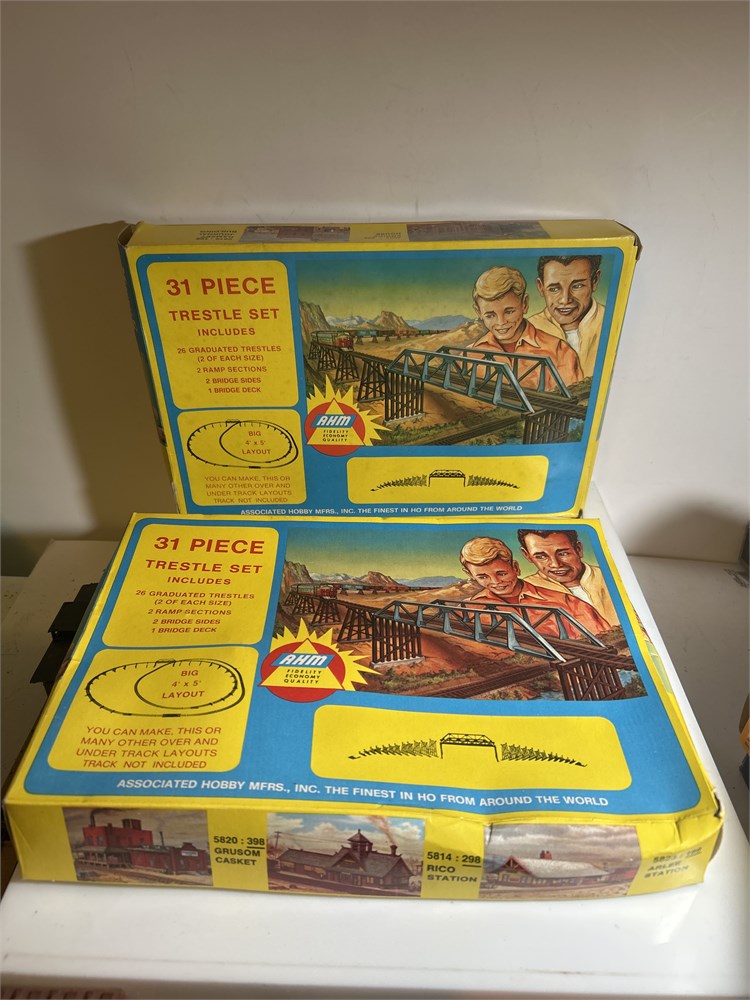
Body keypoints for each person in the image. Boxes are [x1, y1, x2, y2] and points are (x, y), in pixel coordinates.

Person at [459, 536, 609, 638]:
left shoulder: (568, 603)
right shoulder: (466, 610)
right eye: (483, 577)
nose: (496, 582)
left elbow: (604, 642)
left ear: (515, 568)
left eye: (502, 573)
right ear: (471, 575)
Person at [470, 266, 583, 389]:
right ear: (478, 312)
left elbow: (574, 397)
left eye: (509, 311)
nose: (501, 322)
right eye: (490, 315)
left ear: (524, 304)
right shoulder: (469, 354)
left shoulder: (560, 352)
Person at [517, 528, 618, 627]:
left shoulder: (611, 578)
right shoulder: (523, 590)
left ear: (578, 549)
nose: (555, 564)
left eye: (563, 554)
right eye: (541, 557)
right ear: (527, 555)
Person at [528, 255, 603, 378]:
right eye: (554, 289)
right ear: (541, 287)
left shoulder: (613, 323)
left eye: (577, 286)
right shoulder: (528, 330)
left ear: (594, 281)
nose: (565, 299)